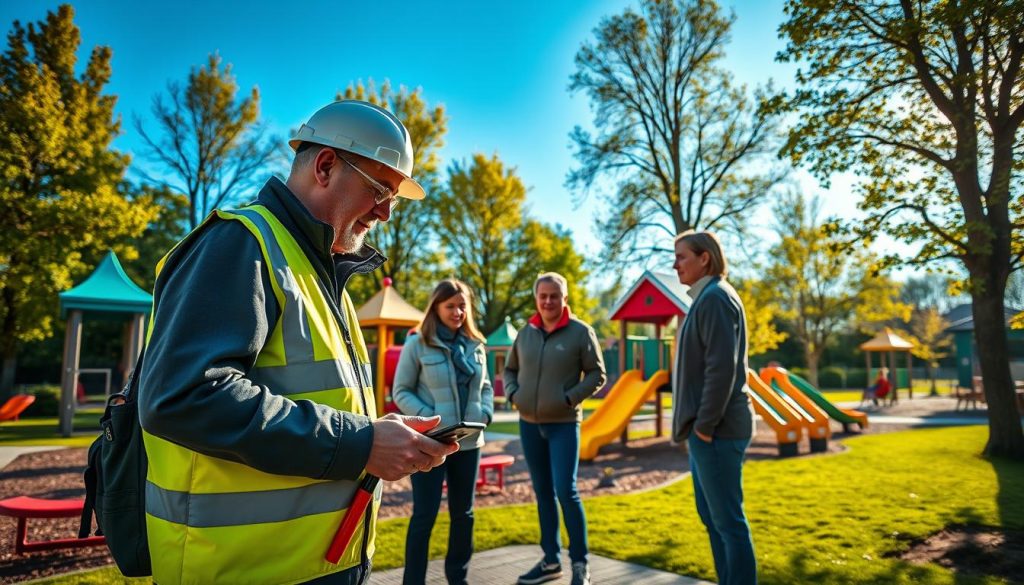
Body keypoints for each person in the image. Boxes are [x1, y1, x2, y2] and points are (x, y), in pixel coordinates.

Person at [138, 100, 458, 585]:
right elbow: (183, 396)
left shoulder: (318, 270)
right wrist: (362, 442)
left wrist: (378, 431)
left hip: (314, 564)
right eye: (380, 189)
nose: (387, 212)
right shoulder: (240, 243)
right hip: (240, 570)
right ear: (326, 165)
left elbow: (313, 399)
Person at [504, 272, 606, 585]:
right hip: (529, 425)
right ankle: (550, 560)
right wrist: (513, 394)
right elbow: (510, 369)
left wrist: (569, 398)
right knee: (543, 494)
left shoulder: (581, 332)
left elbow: (596, 374)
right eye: (543, 296)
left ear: (564, 299)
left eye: (554, 296)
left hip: (563, 425)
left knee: (566, 491)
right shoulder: (526, 333)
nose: (548, 301)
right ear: (536, 298)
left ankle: (580, 563)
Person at [392, 279, 494, 585]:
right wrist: (430, 421)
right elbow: (401, 391)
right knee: (424, 515)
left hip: (469, 442)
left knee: (464, 514)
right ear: (436, 307)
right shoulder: (417, 344)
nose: (458, 311)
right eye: (451, 306)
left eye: (462, 305)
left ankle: (457, 578)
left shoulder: (477, 346)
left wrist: (485, 414)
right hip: (430, 443)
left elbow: (486, 387)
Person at [671, 231, 757, 585]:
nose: (674, 264)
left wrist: (704, 426)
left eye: (681, 257)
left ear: (704, 258)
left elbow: (721, 370)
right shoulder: (705, 298)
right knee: (713, 519)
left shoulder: (716, 299)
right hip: (708, 431)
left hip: (717, 431)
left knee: (728, 524)